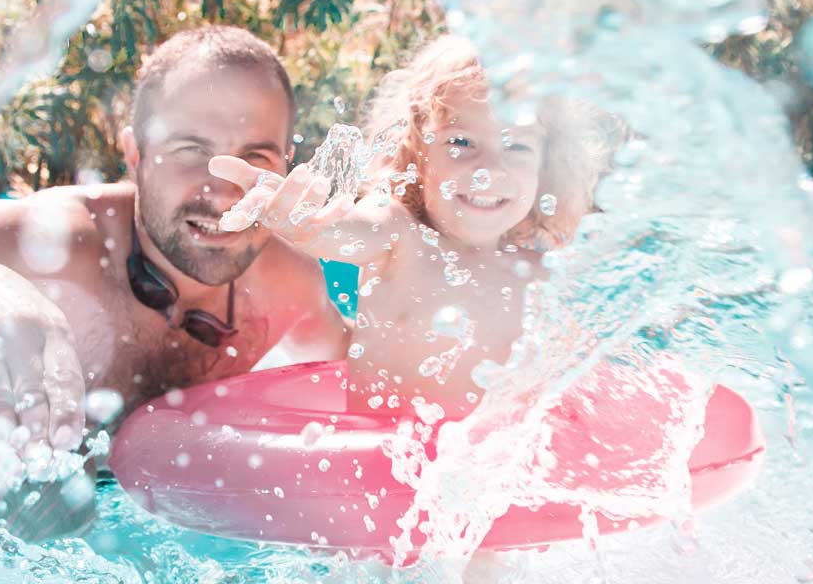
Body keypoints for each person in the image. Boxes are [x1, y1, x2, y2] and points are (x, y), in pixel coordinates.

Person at [0, 26, 350, 539]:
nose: (225, 191)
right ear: (135, 153)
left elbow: (370, 378)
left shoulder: (289, 280)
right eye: (190, 150)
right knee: (44, 501)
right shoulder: (49, 243)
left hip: (132, 514)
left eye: (254, 156)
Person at [210, 35, 620, 420]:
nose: (488, 169)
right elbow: (347, 232)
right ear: (418, 153)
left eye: (516, 146)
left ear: (545, 169)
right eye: (460, 143)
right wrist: (304, 222)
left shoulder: (543, 276)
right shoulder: (399, 235)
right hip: (381, 473)